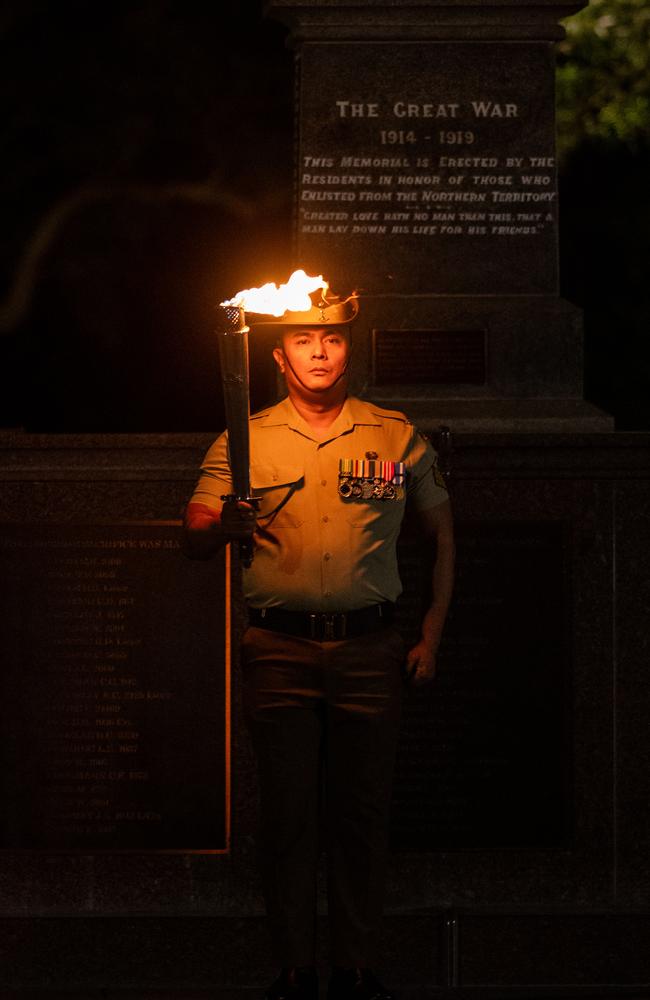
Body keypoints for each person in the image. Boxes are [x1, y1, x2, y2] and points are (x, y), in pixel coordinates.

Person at [183, 289, 454, 1000]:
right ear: (278, 355)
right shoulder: (246, 437)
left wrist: (431, 631)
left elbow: (443, 533)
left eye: (331, 341)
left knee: (362, 815)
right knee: (289, 814)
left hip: (370, 650)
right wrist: (224, 527)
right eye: (303, 341)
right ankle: (295, 967)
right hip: (280, 648)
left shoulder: (392, 434)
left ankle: (357, 966)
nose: (319, 354)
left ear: (348, 351)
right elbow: (195, 530)